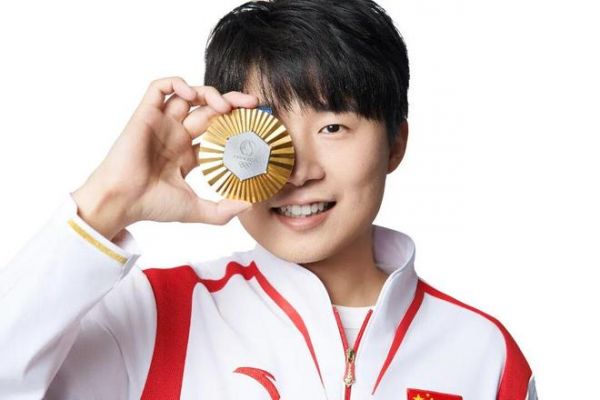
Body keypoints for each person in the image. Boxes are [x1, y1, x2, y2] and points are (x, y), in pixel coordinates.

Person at [0, 0, 538, 399]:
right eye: (267, 134)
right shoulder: (154, 316)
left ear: (395, 143)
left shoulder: (484, 354)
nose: (297, 171)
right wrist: (108, 201)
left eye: (332, 126)